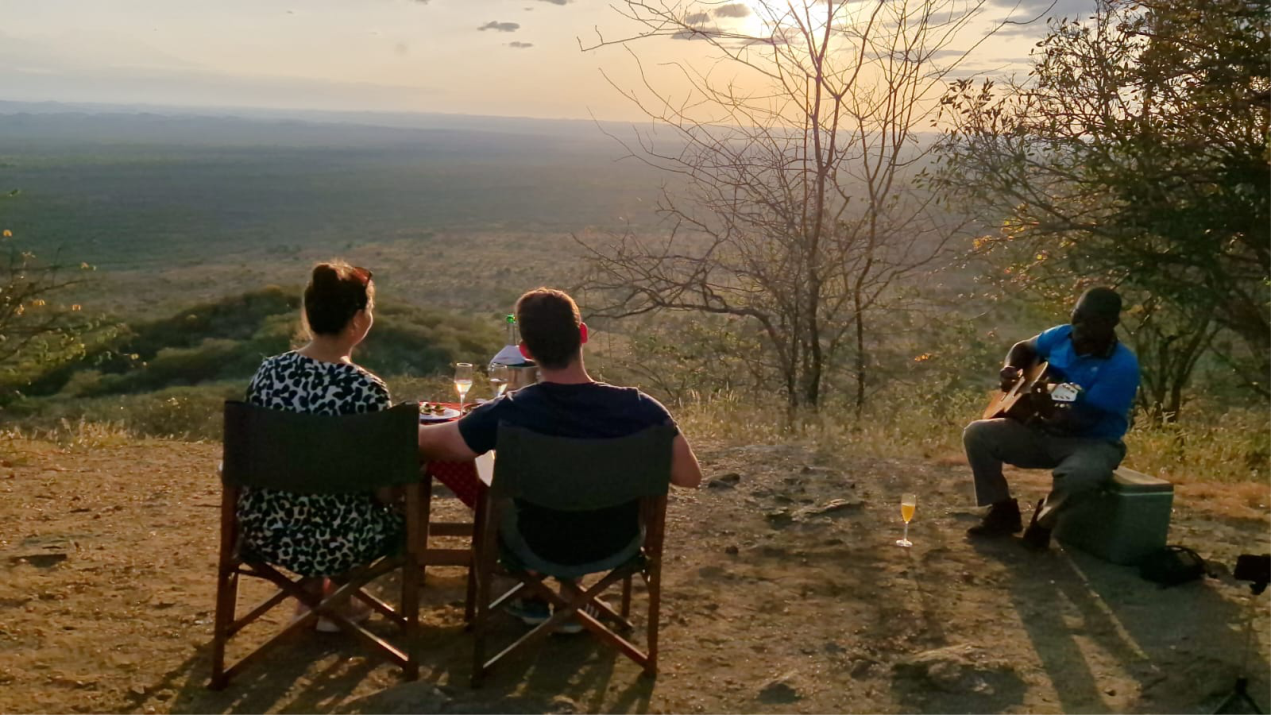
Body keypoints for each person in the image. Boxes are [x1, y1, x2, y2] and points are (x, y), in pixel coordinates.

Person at [418, 287, 702, 629]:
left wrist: (404, 426)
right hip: (616, 542)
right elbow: (690, 476)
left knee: (498, 490)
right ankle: (573, 601)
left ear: (525, 350)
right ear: (581, 335)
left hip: (532, 543)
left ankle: (533, 594)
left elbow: (450, 446)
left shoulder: (511, 411)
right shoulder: (640, 408)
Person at [237, 261, 401, 628]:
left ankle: (313, 595)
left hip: (270, 531)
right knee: (383, 506)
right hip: (346, 539)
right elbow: (383, 491)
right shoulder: (366, 388)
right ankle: (340, 599)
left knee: (314, 493)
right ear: (358, 320)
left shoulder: (269, 372)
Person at [964, 286, 1140, 550]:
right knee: (977, 434)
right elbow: (1023, 347)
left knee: (1079, 475)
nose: (1079, 326)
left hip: (1092, 441)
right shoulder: (1061, 336)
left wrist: (1048, 411)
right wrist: (1011, 369)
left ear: (1111, 323)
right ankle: (1002, 512)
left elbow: (1086, 420)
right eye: (1076, 316)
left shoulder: (1122, 366)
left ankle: (1044, 521)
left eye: (1090, 321)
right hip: (1042, 430)